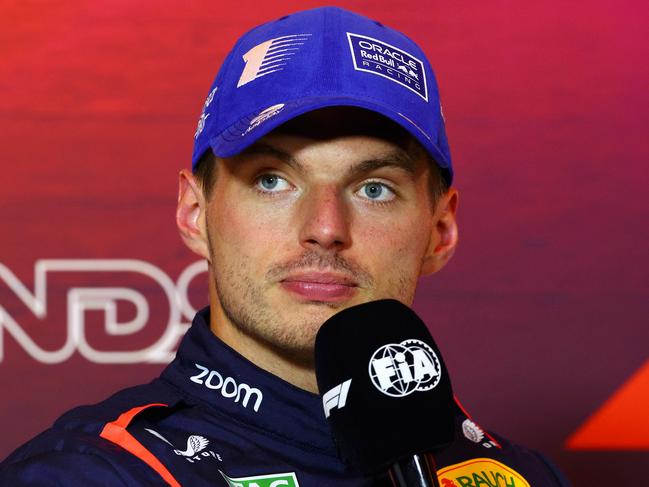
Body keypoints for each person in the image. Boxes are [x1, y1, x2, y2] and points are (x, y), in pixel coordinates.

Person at [0, 7, 571, 486]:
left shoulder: (519, 474)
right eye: (273, 180)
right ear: (196, 213)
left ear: (440, 231)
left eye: (374, 189)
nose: (325, 227)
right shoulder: (96, 474)